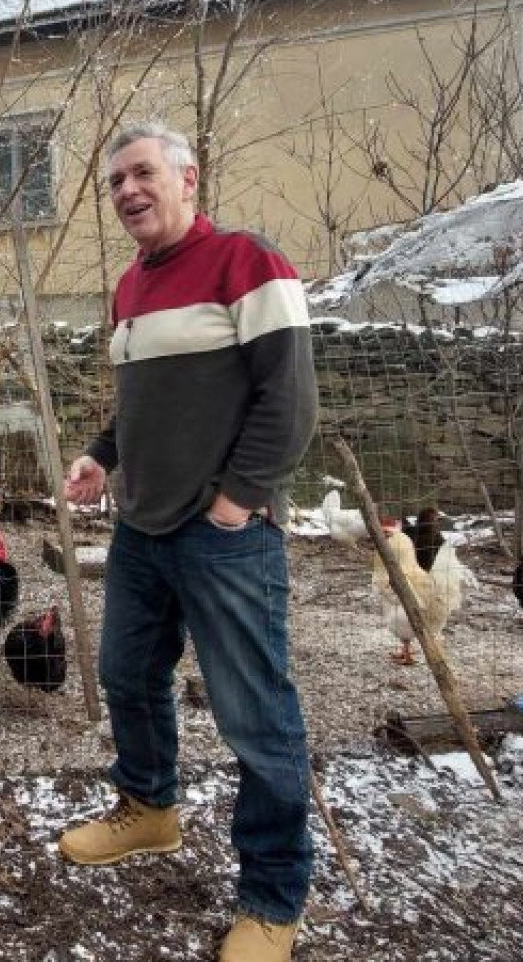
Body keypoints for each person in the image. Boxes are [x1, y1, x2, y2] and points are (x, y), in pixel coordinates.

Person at [58, 121, 318, 962]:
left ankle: (274, 900)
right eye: (116, 183)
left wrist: (238, 503)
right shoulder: (129, 288)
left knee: (256, 720)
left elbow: (290, 402)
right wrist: (103, 455)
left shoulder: (247, 261)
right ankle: (150, 811)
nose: (129, 191)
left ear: (187, 178)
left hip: (224, 537)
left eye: (142, 174)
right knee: (126, 674)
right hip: (143, 526)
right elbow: (138, 405)